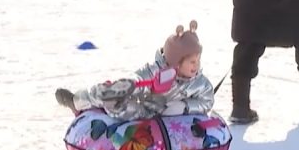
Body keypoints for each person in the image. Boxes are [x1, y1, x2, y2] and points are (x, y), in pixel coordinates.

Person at [54, 22, 214, 119]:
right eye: (192, 62)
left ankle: (112, 102)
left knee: (135, 110)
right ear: (176, 63)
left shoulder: (199, 82)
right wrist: (130, 84)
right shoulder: (157, 71)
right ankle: (80, 101)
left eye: (198, 60)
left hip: (165, 113)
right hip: (147, 107)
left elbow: (207, 101)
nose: (196, 66)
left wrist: (185, 106)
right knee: (126, 106)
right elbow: (140, 79)